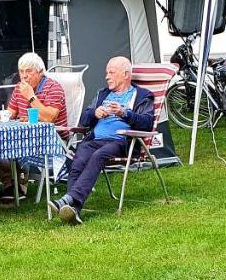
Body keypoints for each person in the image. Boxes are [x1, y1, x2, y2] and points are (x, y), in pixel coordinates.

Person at [50, 56, 155, 225]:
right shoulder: (102, 94)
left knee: (98, 156)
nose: (107, 76)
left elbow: (147, 124)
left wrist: (124, 113)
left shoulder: (142, 95)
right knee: (78, 159)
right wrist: (94, 113)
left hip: (122, 142)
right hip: (95, 139)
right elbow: (84, 120)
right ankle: (73, 209)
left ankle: (69, 200)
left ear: (126, 74)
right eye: (107, 73)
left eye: (111, 72)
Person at [0, 53, 67, 200]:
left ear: (40, 72)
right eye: (21, 72)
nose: (24, 76)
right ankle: (11, 185)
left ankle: (19, 186)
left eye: (29, 71)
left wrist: (31, 96)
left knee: (16, 146)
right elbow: (11, 113)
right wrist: (0, 117)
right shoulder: (19, 88)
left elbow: (49, 117)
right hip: (24, 135)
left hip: (51, 138)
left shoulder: (53, 88)